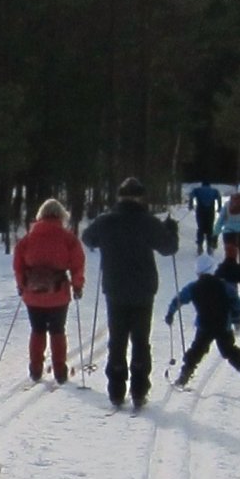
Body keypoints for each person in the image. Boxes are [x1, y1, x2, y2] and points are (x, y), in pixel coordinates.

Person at [80, 176, 179, 410]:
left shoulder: (107, 221)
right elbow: (169, 248)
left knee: (117, 340)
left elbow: (87, 238)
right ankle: (139, 390)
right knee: (141, 340)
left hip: (114, 288)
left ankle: (116, 391)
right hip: (144, 289)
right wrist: (171, 230)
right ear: (140, 197)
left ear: (119, 197)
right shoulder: (148, 222)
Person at [13, 198, 86, 384]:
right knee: (57, 330)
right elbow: (78, 264)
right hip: (58, 294)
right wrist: (77, 286)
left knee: (37, 329)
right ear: (61, 215)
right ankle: (60, 370)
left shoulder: (28, 239)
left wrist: (22, 286)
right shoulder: (68, 238)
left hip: (33, 293)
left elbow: (18, 265)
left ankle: (36, 368)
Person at [165, 253, 240, 388]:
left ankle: (184, 376)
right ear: (212, 269)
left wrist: (171, 313)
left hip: (204, 326)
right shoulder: (224, 285)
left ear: (198, 271)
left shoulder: (193, 287)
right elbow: (235, 300)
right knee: (229, 350)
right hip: (223, 325)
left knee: (197, 351)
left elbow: (179, 299)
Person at [185, 179, 222, 255]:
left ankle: (200, 246)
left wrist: (190, 204)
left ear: (202, 184)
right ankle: (209, 246)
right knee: (209, 228)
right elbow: (219, 197)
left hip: (200, 211)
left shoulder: (197, 190)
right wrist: (219, 207)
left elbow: (191, 195)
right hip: (210, 211)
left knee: (200, 228)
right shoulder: (214, 190)